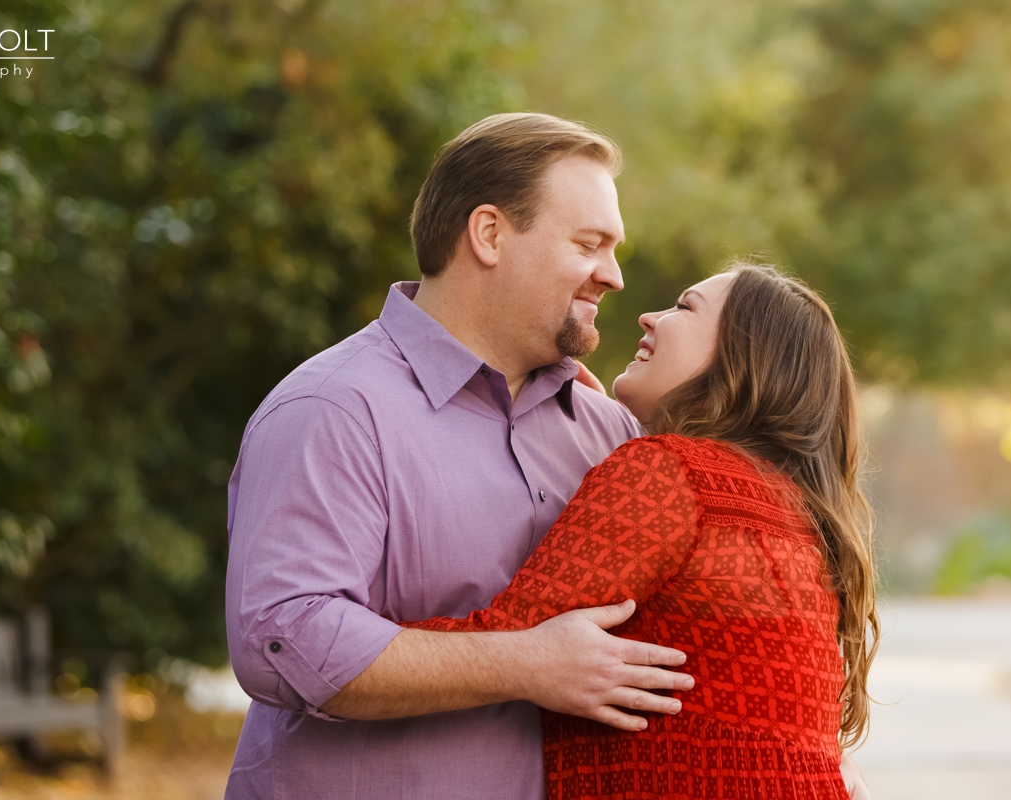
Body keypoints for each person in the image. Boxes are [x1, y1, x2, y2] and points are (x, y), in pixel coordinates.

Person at [224, 113, 694, 799]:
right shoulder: (334, 409)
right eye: (589, 244)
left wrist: (810, 757)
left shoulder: (609, 434)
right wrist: (526, 664)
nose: (613, 276)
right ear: (490, 234)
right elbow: (286, 639)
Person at [407, 262, 880, 799]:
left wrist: (348, 646)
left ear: (741, 356)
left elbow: (510, 642)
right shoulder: (799, 511)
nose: (649, 316)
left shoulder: (668, 470)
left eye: (684, 308)